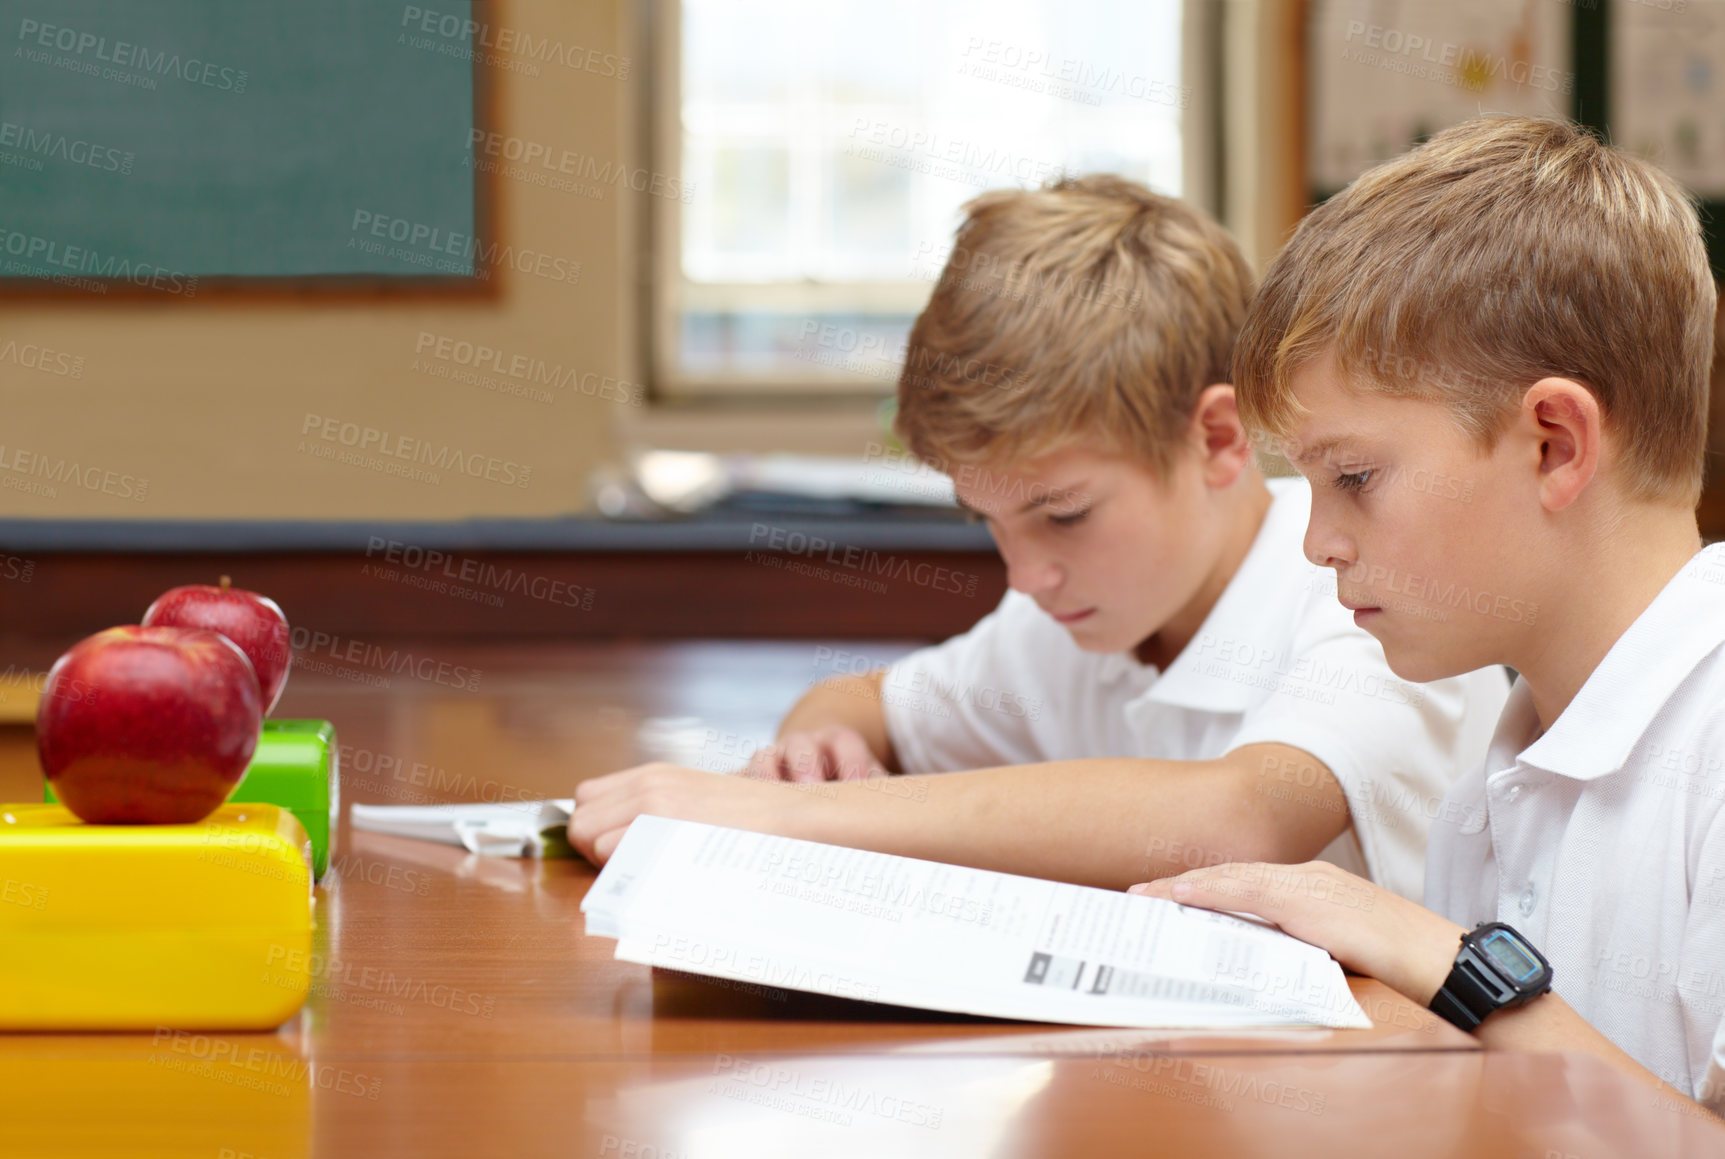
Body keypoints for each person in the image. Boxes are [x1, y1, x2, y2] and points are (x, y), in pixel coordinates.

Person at [570, 175, 1507, 899]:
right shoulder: (1068, 623)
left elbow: (1238, 815)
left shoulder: (1368, 594)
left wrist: (786, 817)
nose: (1026, 573)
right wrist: (814, 755)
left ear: (1215, 439)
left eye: (1063, 514)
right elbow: (857, 702)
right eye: (990, 523)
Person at [1131, 115, 1725, 1115]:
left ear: (1553, 444)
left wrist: (1444, 959)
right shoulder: (1502, 768)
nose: (1317, 541)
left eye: (1354, 476)